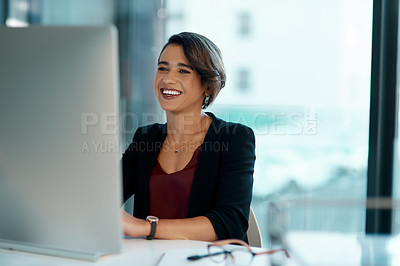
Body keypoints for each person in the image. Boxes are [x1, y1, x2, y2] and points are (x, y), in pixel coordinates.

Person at [121, 32, 256, 242]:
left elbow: (230, 222)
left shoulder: (234, 138)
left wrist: (146, 227)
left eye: (183, 71)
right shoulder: (145, 138)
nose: (167, 79)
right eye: (162, 68)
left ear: (207, 86)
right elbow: (107, 195)